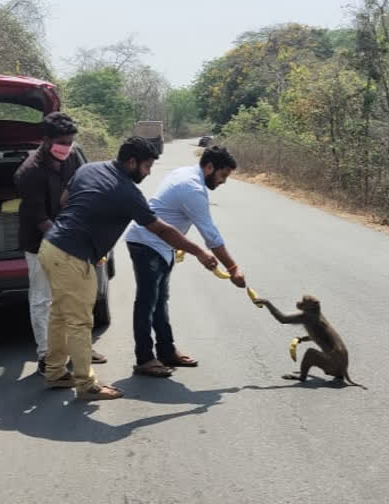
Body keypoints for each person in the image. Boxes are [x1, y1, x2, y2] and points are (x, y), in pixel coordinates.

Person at [38, 136, 219, 400]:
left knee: (59, 314)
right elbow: (161, 229)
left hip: (51, 246)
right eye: (147, 166)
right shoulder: (127, 192)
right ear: (132, 162)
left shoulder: (89, 169)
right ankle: (86, 385)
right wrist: (200, 251)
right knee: (79, 321)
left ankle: (55, 373)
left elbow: (65, 200)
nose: (148, 172)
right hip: (72, 256)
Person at [124, 145, 246, 377]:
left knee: (160, 301)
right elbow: (211, 235)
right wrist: (233, 268)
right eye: (223, 175)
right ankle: (145, 358)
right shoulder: (192, 188)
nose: (223, 182)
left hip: (160, 245)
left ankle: (167, 351)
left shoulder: (185, 174)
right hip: (147, 242)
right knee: (147, 302)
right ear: (209, 167)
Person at [14, 112, 107, 374]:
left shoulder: (74, 156)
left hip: (72, 237)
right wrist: (65, 244)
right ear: (45, 140)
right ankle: (46, 356)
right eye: (61, 142)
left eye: (70, 141)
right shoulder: (28, 172)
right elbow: (40, 218)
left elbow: (83, 194)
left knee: (77, 297)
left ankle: (81, 348)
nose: (66, 147)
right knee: (43, 299)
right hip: (40, 243)